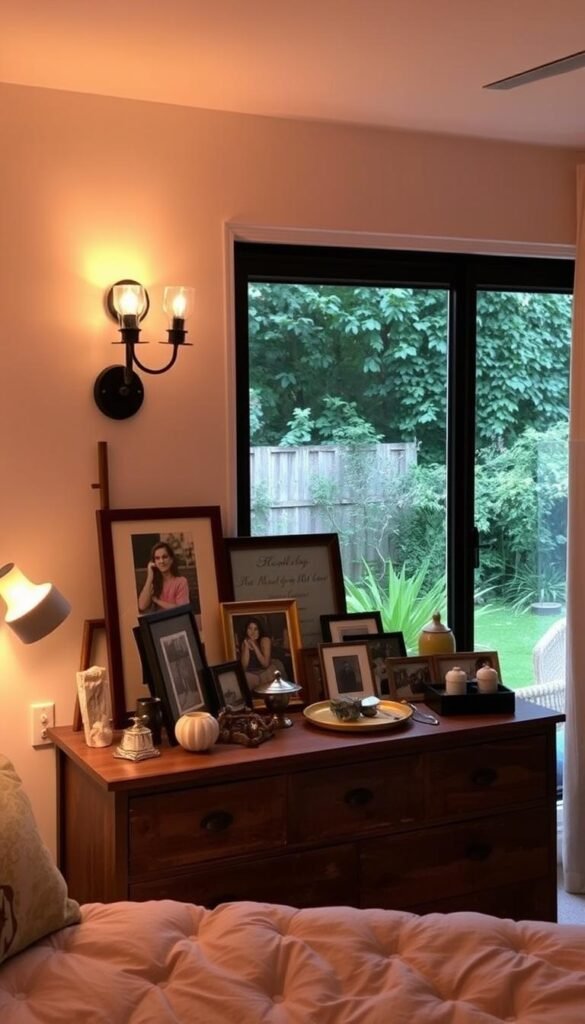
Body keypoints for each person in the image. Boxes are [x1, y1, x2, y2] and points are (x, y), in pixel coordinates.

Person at [138, 541, 189, 612]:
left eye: (164, 557)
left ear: (171, 559)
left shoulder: (181, 581)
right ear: (154, 562)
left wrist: (157, 601)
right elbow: (142, 606)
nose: (161, 561)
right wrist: (150, 576)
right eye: (157, 558)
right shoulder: (152, 583)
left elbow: (182, 610)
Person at [239, 617, 285, 687]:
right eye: (250, 628)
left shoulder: (265, 640)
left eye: (255, 629)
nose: (252, 632)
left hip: (265, 669)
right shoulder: (245, 642)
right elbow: (244, 667)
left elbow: (265, 664)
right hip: (252, 672)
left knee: (265, 678)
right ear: (246, 630)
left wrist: (254, 644)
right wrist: (246, 645)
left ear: (259, 631)